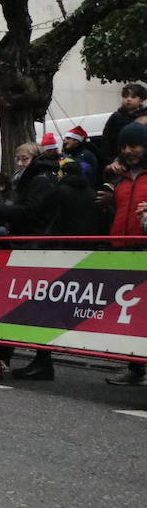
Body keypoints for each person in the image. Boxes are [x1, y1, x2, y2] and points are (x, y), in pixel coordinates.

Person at [97, 121, 147, 386]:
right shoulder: (120, 178)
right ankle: (135, 367)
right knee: (132, 315)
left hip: (144, 248)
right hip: (121, 247)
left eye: (135, 145)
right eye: (125, 146)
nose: (129, 151)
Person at [0, 142, 59, 237]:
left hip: (36, 237)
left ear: (36, 159)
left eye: (25, 159)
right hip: (31, 234)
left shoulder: (41, 180)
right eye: (17, 159)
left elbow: (28, 211)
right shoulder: (30, 179)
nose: (19, 163)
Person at [98, 83, 147, 163]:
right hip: (120, 161)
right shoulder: (116, 117)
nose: (128, 99)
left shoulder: (145, 117)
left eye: (133, 97)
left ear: (141, 100)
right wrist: (111, 160)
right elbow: (107, 141)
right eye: (125, 96)